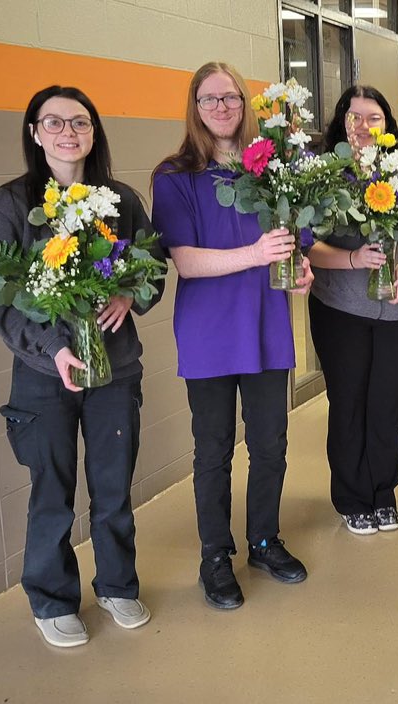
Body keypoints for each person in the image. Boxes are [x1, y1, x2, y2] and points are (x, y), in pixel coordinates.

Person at [0, 86, 164, 646]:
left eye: (78, 122)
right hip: (43, 376)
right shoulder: (11, 205)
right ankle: (52, 597)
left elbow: (152, 264)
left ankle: (117, 585)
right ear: (35, 132)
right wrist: (52, 349)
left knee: (113, 483)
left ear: (93, 131)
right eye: (53, 122)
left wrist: (131, 296)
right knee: (51, 489)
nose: (67, 132)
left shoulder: (121, 199)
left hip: (115, 368)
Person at [152, 62, 311, 610]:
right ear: (195, 108)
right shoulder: (175, 176)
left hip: (267, 328)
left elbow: (295, 242)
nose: (222, 108)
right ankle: (215, 556)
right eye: (209, 99)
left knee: (271, 446)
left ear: (245, 105)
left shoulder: (269, 168)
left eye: (232, 98)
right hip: (210, 333)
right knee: (214, 452)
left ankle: (264, 540)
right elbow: (187, 262)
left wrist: (301, 266)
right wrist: (256, 254)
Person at [307, 86, 398, 535]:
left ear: (387, 125)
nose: (364, 126)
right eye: (354, 117)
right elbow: (306, 246)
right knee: (349, 402)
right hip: (340, 310)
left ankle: (383, 491)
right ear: (341, 122)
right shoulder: (325, 174)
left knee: (387, 402)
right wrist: (353, 259)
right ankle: (351, 496)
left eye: (374, 118)